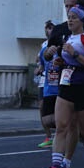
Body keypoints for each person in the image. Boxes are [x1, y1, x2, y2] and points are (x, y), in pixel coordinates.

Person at [42, 5, 84, 168]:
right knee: (61, 127)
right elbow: (63, 59)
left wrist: (74, 54)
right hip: (66, 84)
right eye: (68, 17)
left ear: (82, 20)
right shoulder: (67, 37)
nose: (70, 20)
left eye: (74, 17)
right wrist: (60, 59)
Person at [35, 20, 56, 148]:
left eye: (51, 27)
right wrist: (39, 68)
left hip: (58, 82)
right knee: (42, 108)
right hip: (45, 81)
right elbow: (39, 61)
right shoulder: (44, 45)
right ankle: (48, 136)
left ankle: (65, 134)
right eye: (47, 28)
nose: (49, 30)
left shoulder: (61, 43)